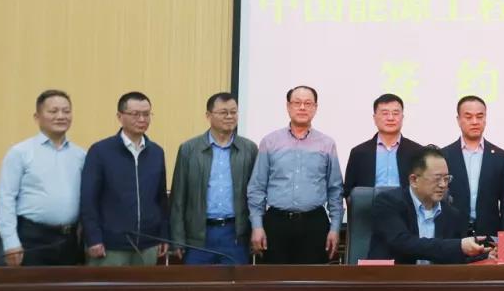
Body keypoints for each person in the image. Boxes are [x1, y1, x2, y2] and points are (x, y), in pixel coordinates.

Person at [247, 86, 343, 264]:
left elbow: (335, 190)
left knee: (313, 279)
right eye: (297, 103)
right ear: (288, 106)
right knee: (274, 279)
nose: (302, 107)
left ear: (315, 107)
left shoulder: (327, 144)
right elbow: (257, 187)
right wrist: (257, 225)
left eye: (308, 103)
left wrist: (335, 227)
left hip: (314, 223)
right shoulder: (270, 142)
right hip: (276, 223)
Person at [0, 90, 85, 266]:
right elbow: (6, 199)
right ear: (37, 117)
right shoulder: (20, 153)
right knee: (28, 284)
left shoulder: (80, 155)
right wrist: (10, 241)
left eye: (66, 111)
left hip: (68, 240)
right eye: (53, 111)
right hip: (31, 238)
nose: (61, 116)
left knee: (66, 284)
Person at [80, 91, 169, 266]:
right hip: (110, 245)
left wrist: (164, 235)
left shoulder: (156, 152)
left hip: (148, 244)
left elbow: (161, 199)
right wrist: (93, 238)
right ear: (119, 117)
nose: (142, 119)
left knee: (146, 285)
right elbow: (89, 200)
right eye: (135, 114)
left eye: (146, 114)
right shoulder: (100, 151)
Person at [169, 92, 259, 265]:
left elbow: (256, 194)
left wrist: (255, 229)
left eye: (233, 112)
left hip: (235, 235)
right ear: (208, 115)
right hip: (198, 235)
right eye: (223, 112)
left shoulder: (249, 149)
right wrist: (177, 238)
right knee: (198, 282)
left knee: (234, 283)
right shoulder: (189, 149)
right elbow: (178, 198)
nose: (229, 116)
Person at [368, 146, 491, 264]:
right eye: (437, 178)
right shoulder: (388, 203)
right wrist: (458, 246)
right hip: (392, 277)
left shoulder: (452, 215)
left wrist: (484, 255)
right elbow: (402, 243)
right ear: (414, 180)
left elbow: (455, 259)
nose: (443, 185)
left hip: (436, 278)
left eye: (446, 178)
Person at [440, 96, 504, 236]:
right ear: (458, 120)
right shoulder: (444, 155)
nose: (475, 122)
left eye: (480, 116)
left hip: (489, 235)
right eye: (468, 117)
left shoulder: (501, 157)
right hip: (452, 234)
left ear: (485, 119)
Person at [343, 93, 424, 197]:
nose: (390, 118)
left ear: (402, 117)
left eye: (395, 113)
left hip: (406, 205)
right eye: (385, 113)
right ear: (375, 118)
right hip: (370, 205)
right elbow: (349, 191)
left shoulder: (418, 152)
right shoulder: (359, 152)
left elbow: (423, 187)